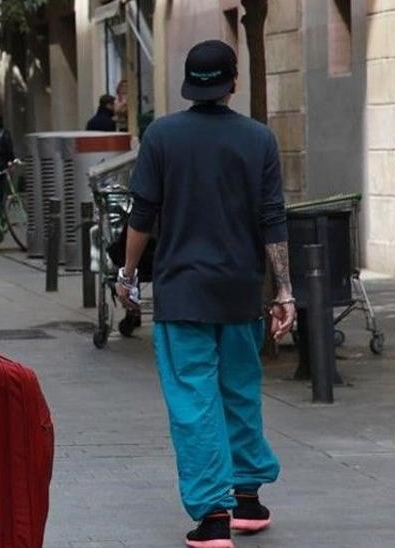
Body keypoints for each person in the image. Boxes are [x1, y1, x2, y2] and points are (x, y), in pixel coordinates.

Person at [115, 40, 294, 548]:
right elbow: (272, 218)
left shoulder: (162, 136)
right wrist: (284, 290)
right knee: (240, 389)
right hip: (240, 292)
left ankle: (214, 517)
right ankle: (249, 497)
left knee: (193, 400)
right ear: (233, 81)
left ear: (189, 84)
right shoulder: (259, 139)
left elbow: (142, 214)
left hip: (183, 292)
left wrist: (127, 274)